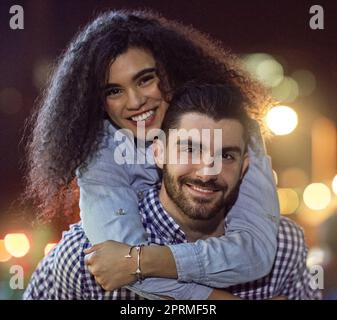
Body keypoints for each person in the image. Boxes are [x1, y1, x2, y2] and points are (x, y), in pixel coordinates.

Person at [24, 10, 279, 299]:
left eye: (145, 79)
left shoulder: (232, 126)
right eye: (114, 91)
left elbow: (256, 253)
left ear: (171, 69)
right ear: (99, 103)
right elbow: (115, 268)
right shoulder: (99, 152)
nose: (135, 101)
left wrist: (144, 261)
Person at [24, 84, 319, 300]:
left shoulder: (285, 246)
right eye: (190, 149)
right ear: (159, 153)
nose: (207, 172)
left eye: (226, 156)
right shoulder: (86, 255)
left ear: (245, 167)